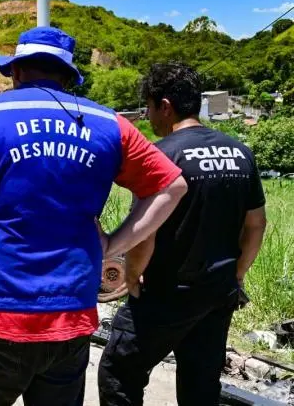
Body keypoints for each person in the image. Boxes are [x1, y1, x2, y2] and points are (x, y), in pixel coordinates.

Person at [0, 26, 189, 406]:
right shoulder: (108, 123)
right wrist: (114, 244)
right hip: (71, 313)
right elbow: (171, 186)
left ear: (16, 71)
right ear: (68, 76)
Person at [98, 62, 268, 406]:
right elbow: (256, 224)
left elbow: (146, 232)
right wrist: (237, 274)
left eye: (149, 107)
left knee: (119, 373)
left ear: (165, 105)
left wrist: (131, 274)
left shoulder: (160, 156)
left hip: (165, 293)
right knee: (200, 384)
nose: (148, 117)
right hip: (217, 292)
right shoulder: (240, 153)